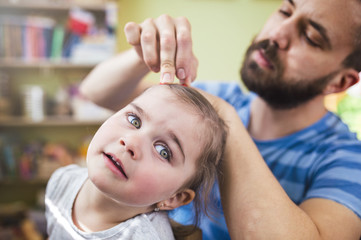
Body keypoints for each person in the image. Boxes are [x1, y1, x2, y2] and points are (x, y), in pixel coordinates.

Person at [79, 0, 361, 239]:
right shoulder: (220, 96)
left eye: (311, 37)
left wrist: (226, 118)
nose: (277, 34)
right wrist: (144, 55)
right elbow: (96, 92)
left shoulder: (348, 161)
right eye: (285, 11)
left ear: (340, 81)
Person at [45, 84, 228, 239]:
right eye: (134, 120)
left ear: (174, 197)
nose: (131, 142)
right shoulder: (61, 181)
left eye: (163, 151)